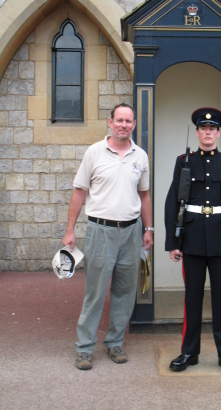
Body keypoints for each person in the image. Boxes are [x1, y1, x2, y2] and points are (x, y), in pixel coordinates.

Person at [62, 103, 153, 370]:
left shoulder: (141, 156)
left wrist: (148, 229)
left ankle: (115, 342)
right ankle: (84, 348)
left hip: (132, 232)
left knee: (125, 292)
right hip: (100, 231)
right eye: (119, 120)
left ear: (134, 124)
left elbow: (144, 195)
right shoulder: (94, 153)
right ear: (110, 122)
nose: (124, 125)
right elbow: (79, 193)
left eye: (129, 121)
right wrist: (70, 230)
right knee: (95, 292)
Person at [164, 107, 221, 375]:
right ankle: (189, 351)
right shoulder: (183, 161)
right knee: (192, 299)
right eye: (203, 128)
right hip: (193, 239)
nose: (208, 132)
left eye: (212, 129)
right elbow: (173, 201)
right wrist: (173, 242)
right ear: (197, 132)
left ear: (218, 133)